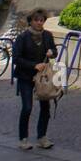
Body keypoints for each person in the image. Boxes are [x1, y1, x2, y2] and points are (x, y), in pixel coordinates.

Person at [12, 9, 57, 150]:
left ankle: (42, 137)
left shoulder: (47, 36)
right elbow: (16, 58)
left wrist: (52, 52)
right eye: (36, 20)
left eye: (41, 20)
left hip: (43, 77)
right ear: (30, 21)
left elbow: (54, 51)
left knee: (45, 107)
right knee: (27, 107)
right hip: (25, 76)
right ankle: (23, 138)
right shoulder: (22, 37)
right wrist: (33, 65)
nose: (39, 22)